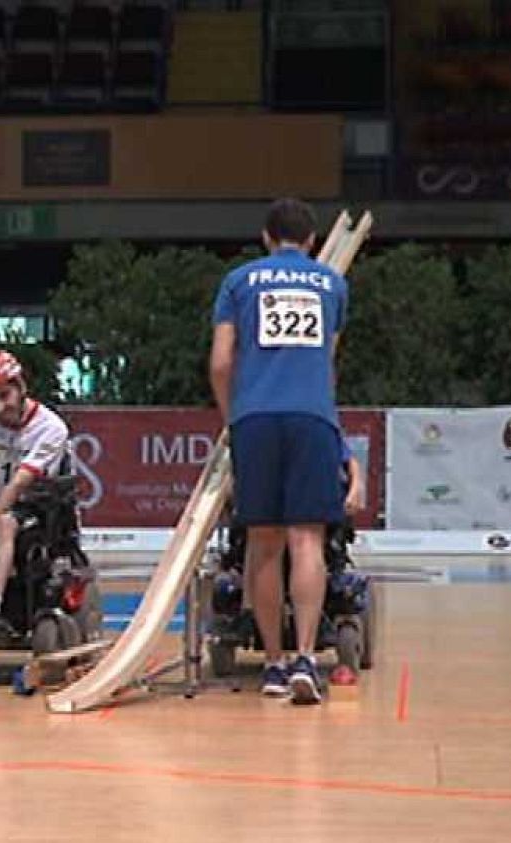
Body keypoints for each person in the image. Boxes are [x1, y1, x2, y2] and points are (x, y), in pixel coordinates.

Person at [208, 197, 349, 705]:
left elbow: (222, 361)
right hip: (313, 416)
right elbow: (327, 360)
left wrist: (233, 418)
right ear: (311, 241)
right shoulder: (333, 284)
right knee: (307, 541)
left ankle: (271, 663)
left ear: (267, 237)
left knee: (263, 544)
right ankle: (307, 656)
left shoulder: (239, 282)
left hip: (256, 418)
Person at [0, 349, 70, 639]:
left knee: (3, 524)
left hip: (34, 502)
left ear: (21, 388)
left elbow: (20, 484)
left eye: (4, 396)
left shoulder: (50, 428)